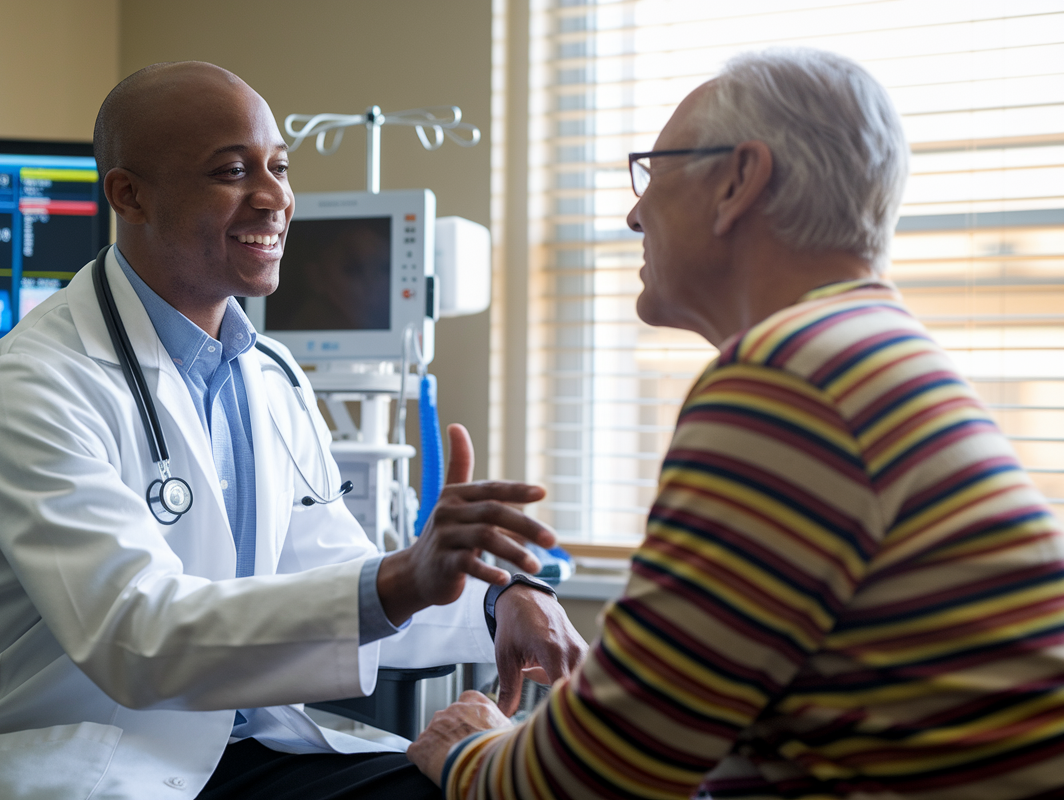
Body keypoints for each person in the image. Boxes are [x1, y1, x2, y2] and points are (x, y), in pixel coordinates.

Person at [0, 61, 587, 800]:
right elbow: (136, 636)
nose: (275, 198)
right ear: (128, 194)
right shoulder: (34, 382)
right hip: (88, 763)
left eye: (280, 167)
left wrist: (502, 597)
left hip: (248, 749)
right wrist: (401, 578)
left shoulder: (268, 373)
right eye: (233, 171)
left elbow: (330, 571)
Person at [408, 47, 1064, 799]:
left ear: (738, 181)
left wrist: (470, 747)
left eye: (653, 169)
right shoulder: (872, 354)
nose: (633, 212)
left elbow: (584, 784)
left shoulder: (790, 379)